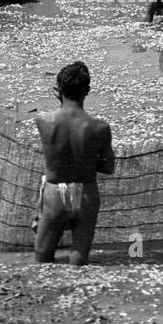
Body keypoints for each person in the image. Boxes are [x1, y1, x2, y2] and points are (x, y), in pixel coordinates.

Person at [33, 61, 115, 265]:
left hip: (54, 195)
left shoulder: (44, 120)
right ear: (87, 91)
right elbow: (108, 168)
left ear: (57, 91)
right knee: (79, 257)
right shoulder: (99, 127)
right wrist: (85, 162)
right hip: (86, 193)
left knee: (42, 257)